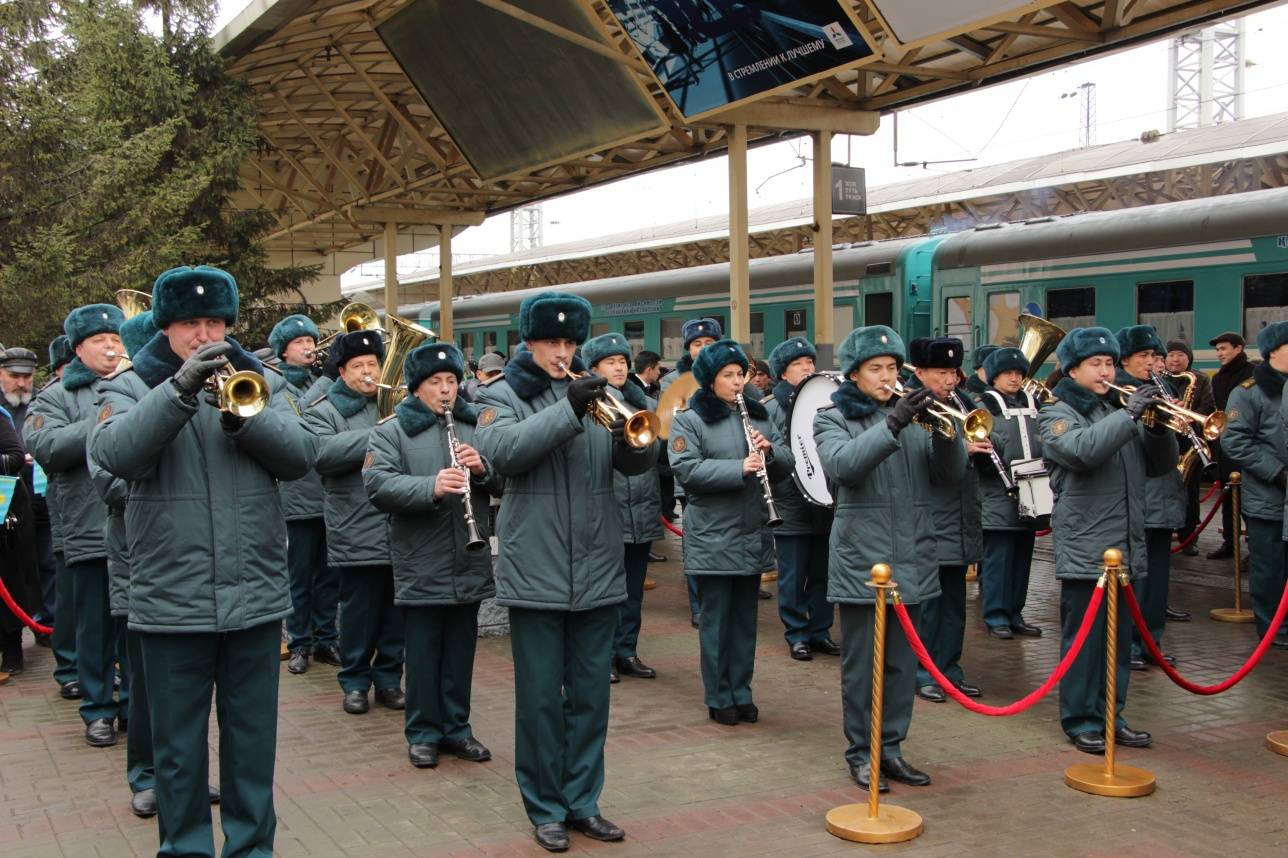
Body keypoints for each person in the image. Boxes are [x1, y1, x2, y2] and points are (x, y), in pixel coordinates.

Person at [91, 265, 314, 856]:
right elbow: (114, 455)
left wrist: (246, 418)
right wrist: (179, 392)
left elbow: (299, 456)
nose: (204, 333)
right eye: (191, 323)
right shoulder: (130, 384)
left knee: (251, 744)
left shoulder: (261, 379)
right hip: (171, 599)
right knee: (179, 750)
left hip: (256, 596)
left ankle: (251, 849)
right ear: (166, 328)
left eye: (214, 321)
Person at [475, 291, 656, 852]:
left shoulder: (603, 394)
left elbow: (637, 460)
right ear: (528, 343)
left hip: (599, 566)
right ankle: (545, 807)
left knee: (589, 698)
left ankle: (584, 802)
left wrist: (634, 434)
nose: (561, 351)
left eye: (570, 342)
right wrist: (569, 408)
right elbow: (504, 453)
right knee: (539, 701)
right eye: (552, 342)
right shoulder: (499, 395)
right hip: (537, 570)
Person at [814, 325, 963, 792]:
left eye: (893, 368)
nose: (886, 377)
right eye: (875, 369)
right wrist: (892, 424)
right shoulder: (830, 417)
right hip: (864, 558)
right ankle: (861, 753)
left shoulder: (918, 416)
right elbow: (843, 468)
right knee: (863, 666)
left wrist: (948, 433)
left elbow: (949, 475)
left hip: (913, 553)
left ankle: (892, 749)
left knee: (902, 665)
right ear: (854, 375)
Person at [1038, 327, 1175, 755]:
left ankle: (1111, 714)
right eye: (1095, 364)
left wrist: (1156, 428)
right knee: (1085, 641)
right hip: (1086, 544)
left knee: (1116, 641)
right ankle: (1080, 718)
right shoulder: (1057, 413)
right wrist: (1129, 416)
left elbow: (1161, 466)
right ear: (1073, 369)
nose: (1105, 371)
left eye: (1110, 363)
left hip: (1124, 542)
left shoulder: (1118, 409)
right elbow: (1083, 451)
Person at [365, 342, 499, 769]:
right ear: (416, 388)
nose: (446, 391)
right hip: (419, 558)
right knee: (423, 654)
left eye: (452, 382)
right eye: (435, 383)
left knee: (461, 651)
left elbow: (505, 481)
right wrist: (429, 487)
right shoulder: (391, 431)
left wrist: (484, 470)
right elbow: (378, 486)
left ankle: (457, 728)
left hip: (468, 556)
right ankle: (422, 732)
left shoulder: (475, 426)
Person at [669, 338, 791, 726]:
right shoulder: (690, 419)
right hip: (713, 534)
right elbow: (685, 469)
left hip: (751, 528)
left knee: (745, 621)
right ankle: (719, 695)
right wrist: (738, 468)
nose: (737, 382)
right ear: (710, 379)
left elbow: (786, 461)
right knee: (717, 622)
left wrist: (770, 453)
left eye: (741, 374)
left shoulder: (759, 415)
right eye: (728, 375)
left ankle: (742, 690)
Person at [26, 303, 130, 747]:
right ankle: (98, 708)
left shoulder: (135, 386)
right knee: (95, 626)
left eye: (116, 340)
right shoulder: (55, 395)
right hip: (86, 530)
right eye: (99, 342)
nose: (110, 348)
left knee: (133, 627)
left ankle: (131, 705)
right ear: (78, 349)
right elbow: (45, 446)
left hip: (132, 529)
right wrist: (101, 419)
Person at [306, 330, 406, 715]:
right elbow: (323, 454)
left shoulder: (396, 402)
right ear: (342, 373)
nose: (368, 372)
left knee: (395, 613)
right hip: (355, 524)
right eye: (359, 367)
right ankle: (354, 681)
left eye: (373, 365)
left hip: (397, 523)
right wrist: (380, 432)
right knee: (359, 612)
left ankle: (388, 680)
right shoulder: (324, 408)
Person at [582, 333, 662, 682]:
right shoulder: (588, 404)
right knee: (605, 591)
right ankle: (602, 656)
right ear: (594, 368)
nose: (618, 367)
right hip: (608, 510)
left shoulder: (642, 401)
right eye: (610, 362)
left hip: (641, 508)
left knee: (632, 591)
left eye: (622, 362)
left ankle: (626, 651)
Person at [909, 337, 985, 703]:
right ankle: (923, 672)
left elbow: (986, 431)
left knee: (954, 607)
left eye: (954, 372)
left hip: (960, 518)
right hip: (928, 518)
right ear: (919, 372)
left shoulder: (963, 402)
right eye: (941, 373)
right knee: (929, 606)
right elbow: (918, 457)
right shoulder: (910, 406)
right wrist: (960, 448)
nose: (950, 380)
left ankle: (950, 670)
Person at [269, 314, 342, 675]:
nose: (310, 347)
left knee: (329, 576)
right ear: (283, 350)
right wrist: (329, 377)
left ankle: (327, 637)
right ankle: (300, 642)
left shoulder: (319, 379)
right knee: (299, 576)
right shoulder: (276, 382)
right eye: (300, 342)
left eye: (312, 340)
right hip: (298, 497)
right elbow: (298, 415)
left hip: (328, 494)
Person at [1112, 326, 1185, 670]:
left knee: (1157, 580)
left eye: (1155, 356)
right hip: (1140, 495)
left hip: (1165, 494)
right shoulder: (1119, 393)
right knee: (1136, 580)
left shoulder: (1163, 388)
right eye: (1144, 356)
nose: (1152, 362)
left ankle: (1152, 642)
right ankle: (1130, 645)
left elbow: (1172, 448)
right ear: (1124, 359)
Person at [763, 336, 836, 660]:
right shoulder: (770, 409)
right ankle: (797, 633)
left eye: (809, 363)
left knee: (822, 572)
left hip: (823, 503)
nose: (807, 368)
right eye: (798, 365)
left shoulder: (827, 401)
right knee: (793, 576)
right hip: (790, 504)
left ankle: (820, 630)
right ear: (782, 374)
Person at [1222, 321, 1288, 649]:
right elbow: (1234, 442)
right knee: (1270, 567)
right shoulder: (1249, 392)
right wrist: (1277, 473)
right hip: (1269, 499)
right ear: (1274, 351)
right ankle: (1273, 627)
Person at [977, 347, 1044, 640]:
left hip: (1032, 488)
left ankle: (1015, 612)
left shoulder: (1034, 402)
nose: (1015, 378)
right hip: (997, 492)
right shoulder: (984, 405)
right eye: (1008, 373)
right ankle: (996, 615)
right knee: (998, 558)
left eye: (1018, 373)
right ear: (994, 377)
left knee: (1022, 556)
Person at [660, 318, 722, 625]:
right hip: (693, 475)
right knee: (696, 542)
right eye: (698, 345)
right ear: (688, 348)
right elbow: (670, 427)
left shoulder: (730, 376)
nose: (703, 349)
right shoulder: (672, 382)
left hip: (728, 471)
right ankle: (699, 606)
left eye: (710, 344)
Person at [1, 346, 57, 645]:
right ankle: (16, 627)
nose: (21, 383)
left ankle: (45, 621)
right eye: (13, 376)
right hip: (7, 498)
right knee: (16, 566)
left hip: (41, 495)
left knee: (47, 561)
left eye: (27, 376)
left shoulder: (42, 400)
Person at [40, 335, 81, 698]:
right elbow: (51, 448)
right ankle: (69, 665)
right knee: (69, 600)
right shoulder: (51, 397)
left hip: (106, 515)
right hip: (72, 516)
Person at [0, 381, 39, 676]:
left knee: (8, 582)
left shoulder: (1, 416)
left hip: (6, 513)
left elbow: (15, 456)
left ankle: (12, 654)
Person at [1208, 331, 1257, 560]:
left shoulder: (1252, 373)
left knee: (1249, 500)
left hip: (1246, 446)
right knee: (1228, 498)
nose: (1219, 354)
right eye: (1217, 350)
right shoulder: (1217, 378)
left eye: (1224, 349)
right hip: (1225, 445)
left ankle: (1255, 548)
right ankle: (1230, 543)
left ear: (1238, 349)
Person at [1164, 339, 1214, 562]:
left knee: (1190, 492)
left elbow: (1208, 407)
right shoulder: (1161, 379)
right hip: (1166, 440)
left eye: (1180, 355)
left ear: (1189, 358)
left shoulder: (1200, 379)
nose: (1175, 359)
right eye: (1171, 355)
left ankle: (1189, 537)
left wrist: (1189, 416)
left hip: (1190, 442)